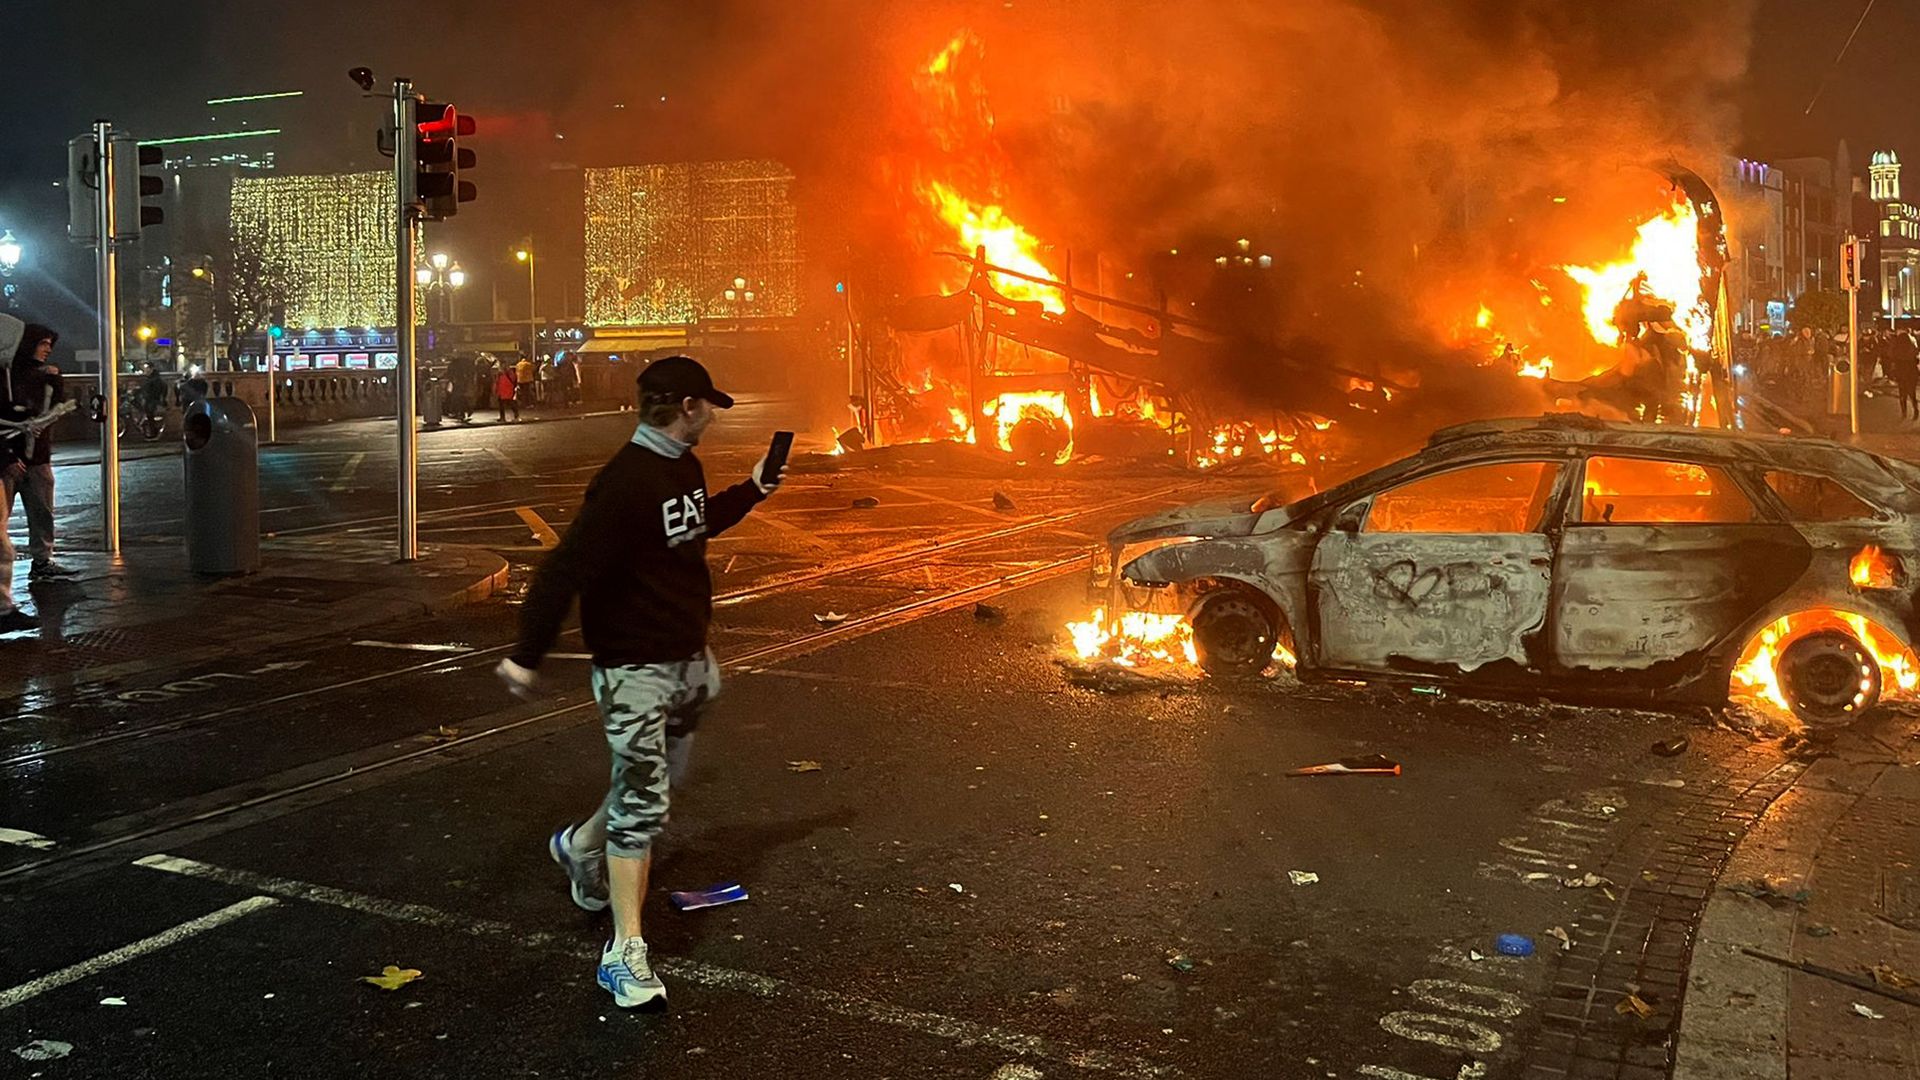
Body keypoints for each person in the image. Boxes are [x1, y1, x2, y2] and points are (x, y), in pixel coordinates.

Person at [495, 356, 786, 1009]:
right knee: (644, 803)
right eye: (708, 406)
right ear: (686, 407)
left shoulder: (682, 465)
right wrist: (527, 654)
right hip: (634, 669)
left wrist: (754, 488)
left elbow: (693, 525)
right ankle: (624, 955)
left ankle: (580, 846)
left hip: (687, 663)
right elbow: (564, 568)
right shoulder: (624, 482)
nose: (713, 417)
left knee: (646, 786)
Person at [8, 324, 72, 582]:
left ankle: (43, 559)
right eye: (43, 343)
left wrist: (55, 381)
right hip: (11, 457)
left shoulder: (45, 375)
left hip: (38, 457)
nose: (47, 349)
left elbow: (56, 406)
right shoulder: (10, 376)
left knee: (42, 510)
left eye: (49, 344)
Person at [1887, 330, 1920, 420]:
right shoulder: (1912, 343)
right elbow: (1916, 357)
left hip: (1901, 372)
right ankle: (1915, 410)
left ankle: (1904, 413)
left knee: (1902, 393)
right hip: (1911, 372)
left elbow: (1890, 355)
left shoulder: (1896, 346)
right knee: (1912, 393)